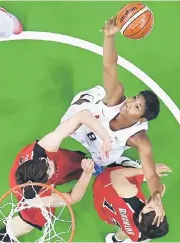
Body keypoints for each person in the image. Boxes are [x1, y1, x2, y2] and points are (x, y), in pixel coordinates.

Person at [60, 16, 165, 225]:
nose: (130, 103)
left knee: (120, 167)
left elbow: (151, 173)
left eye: (136, 107)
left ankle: (105, 167)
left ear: (141, 119)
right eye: (135, 98)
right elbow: (110, 66)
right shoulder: (117, 97)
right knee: (64, 128)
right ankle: (90, 97)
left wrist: (156, 196)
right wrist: (109, 37)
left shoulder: (139, 139)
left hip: (103, 153)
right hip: (82, 125)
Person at [0, 109, 112, 242]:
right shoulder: (37, 198)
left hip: (33, 175)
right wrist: (86, 174)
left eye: (46, 162)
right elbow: (72, 197)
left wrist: (106, 138)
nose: (50, 163)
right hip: (32, 194)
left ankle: (85, 167)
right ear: (46, 182)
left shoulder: (41, 151)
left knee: (66, 162)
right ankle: (2, 235)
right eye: (50, 168)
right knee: (32, 221)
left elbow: (82, 115)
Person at [93, 164, 171, 243]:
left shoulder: (130, 195)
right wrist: (157, 197)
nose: (152, 204)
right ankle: (115, 240)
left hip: (105, 185)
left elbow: (115, 174)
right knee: (126, 231)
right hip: (109, 215)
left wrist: (148, 171)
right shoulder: (139, 235)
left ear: (140, 218)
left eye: (149, 207)